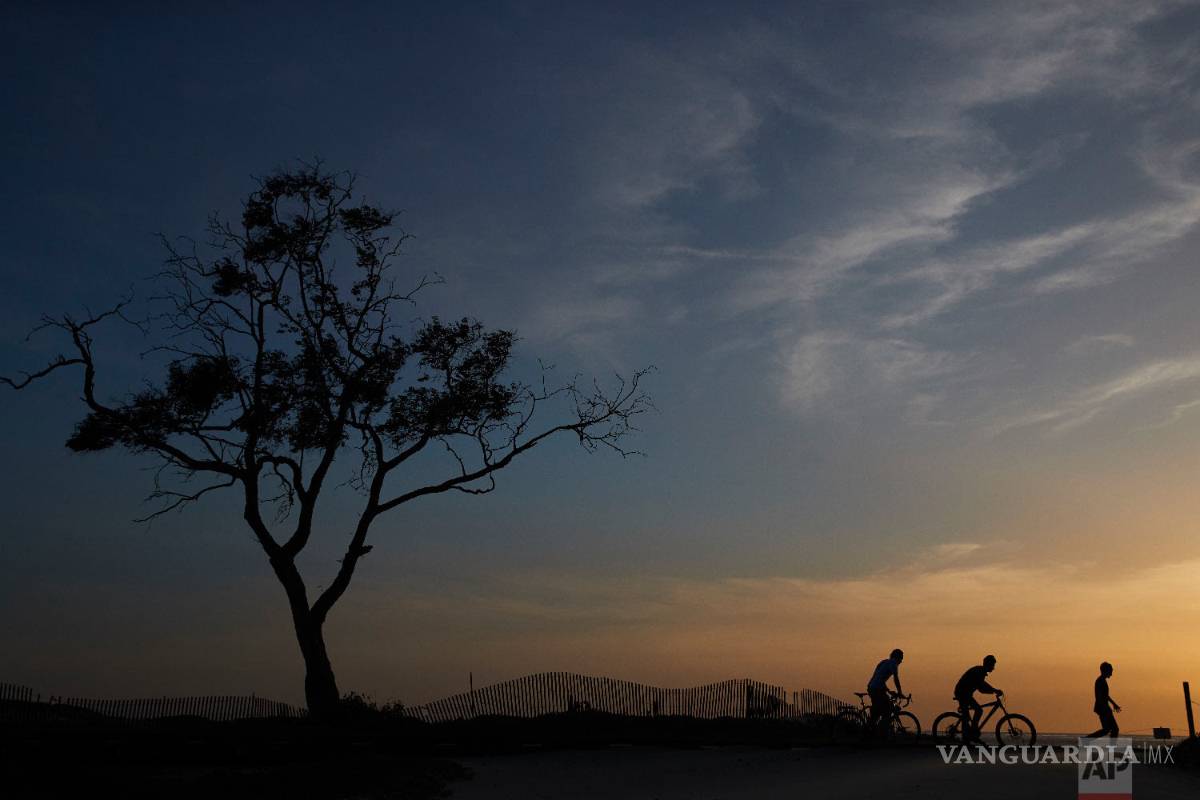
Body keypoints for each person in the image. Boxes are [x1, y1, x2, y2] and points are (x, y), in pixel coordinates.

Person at [954, 654, 1002, 743]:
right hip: (962, 693)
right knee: (976, 711)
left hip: (966, 693)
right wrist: (994, 690)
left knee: (971, 713)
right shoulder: (979, 672)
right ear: (988, 664)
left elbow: (983, 685)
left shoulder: (980, 671)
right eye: (992, 665)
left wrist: (994, 690)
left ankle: (971, 734)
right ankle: (971, 734)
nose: (993, 668)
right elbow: (981, 688)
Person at [867, 648, 904, 732]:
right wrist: (900, 692)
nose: (901, 661)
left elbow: (879, 678)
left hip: (872, 687)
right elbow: (896, 679)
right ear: (897, 657)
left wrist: (888, 690)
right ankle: (880, 731)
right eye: (901, 658)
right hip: (877, 689)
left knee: (877, 711)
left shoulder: (884, 662)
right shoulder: (893, 664)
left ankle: (871, 730)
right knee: (887, 710)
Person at [1089, 662, 1121, 738]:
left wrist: (1114, 704)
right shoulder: (1100, 681)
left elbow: (1106, 696)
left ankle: (1085, 740)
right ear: (1106, 671)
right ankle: (1085, 740)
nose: (1111, 674)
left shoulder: (1102, 680)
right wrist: (1105, 708)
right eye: (1110, 671)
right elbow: (1099, 696)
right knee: (1114, 729)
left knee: (1107, 729)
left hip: (1104, 708)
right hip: (1103, 708)